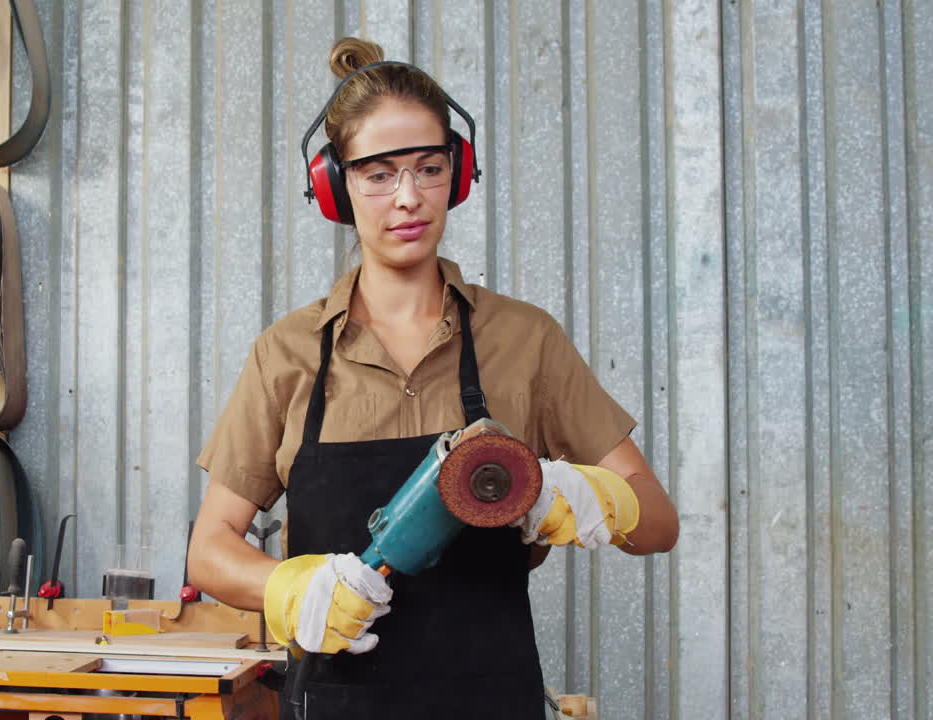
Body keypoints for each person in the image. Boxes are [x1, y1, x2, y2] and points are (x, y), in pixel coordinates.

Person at [188, 36, 679, 719]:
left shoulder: (523, 340)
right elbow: (209, 553)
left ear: (460, 170)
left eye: (428, 166)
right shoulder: (289, 353)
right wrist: (290, 587)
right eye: (379, 173)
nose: (409, 198)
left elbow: (658, 522)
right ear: (335, 185)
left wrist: (590, 495)